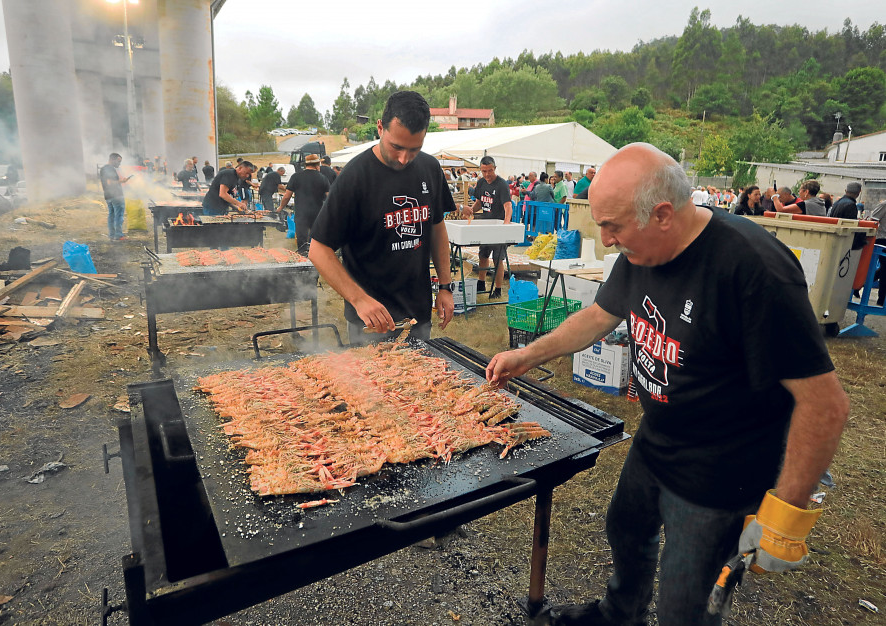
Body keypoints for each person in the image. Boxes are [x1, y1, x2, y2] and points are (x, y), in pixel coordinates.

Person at [486, 143, 849, 626]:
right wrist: (527, 355)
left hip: (721, 471)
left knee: (685, 602)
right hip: (657, 442)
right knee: (625, 531)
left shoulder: (752, 269)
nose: (606, 240)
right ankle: (621, 615)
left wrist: (786, 514)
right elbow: (599, 315)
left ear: (662, 214)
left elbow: (824, 405)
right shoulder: (642, 253)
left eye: (613, 226)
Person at [308, 90, 455, 344]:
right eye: (396, 147)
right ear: (380, 128)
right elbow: (318, 249)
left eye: (414, 149)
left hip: (418, 312)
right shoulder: (354, 177)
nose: (403, 158)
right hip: (371, 322)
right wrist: (359, 299)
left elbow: (437, 228)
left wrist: (445, 286)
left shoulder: (430, 169)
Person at [461, 156, 513, 299]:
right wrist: (471, 210)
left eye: (490, 171)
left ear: (494, 169)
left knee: (498, 259)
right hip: (485, 224)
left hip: (498, 227)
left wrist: (506, 223)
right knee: (483, 254)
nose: (487, 174)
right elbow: (479, 202)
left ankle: (497, 289)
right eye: (484, 171)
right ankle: (481, 282)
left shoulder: (501, 184)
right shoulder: (481, 183)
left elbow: (508, 205)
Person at [276, 155, 330, 255]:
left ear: (306, 165)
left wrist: (280, 207)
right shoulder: (323, 178)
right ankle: (314, 258)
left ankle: (302, 256)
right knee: (315, 239)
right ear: (317, 165)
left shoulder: (296, 176)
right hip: (317, 213)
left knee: (301, 238)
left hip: (301, 212)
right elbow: (329, 198)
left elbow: (287, 196)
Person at [99, 153, 132, 241]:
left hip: (108, 195)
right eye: (118, 161)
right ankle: (118, 235)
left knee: (112, 215)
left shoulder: (103, 168)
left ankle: (112, 235)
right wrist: (122, 181)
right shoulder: (109, 169)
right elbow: (110, 182)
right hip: (116, 195)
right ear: (112, 159)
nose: (119, 164)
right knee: (119, 216)